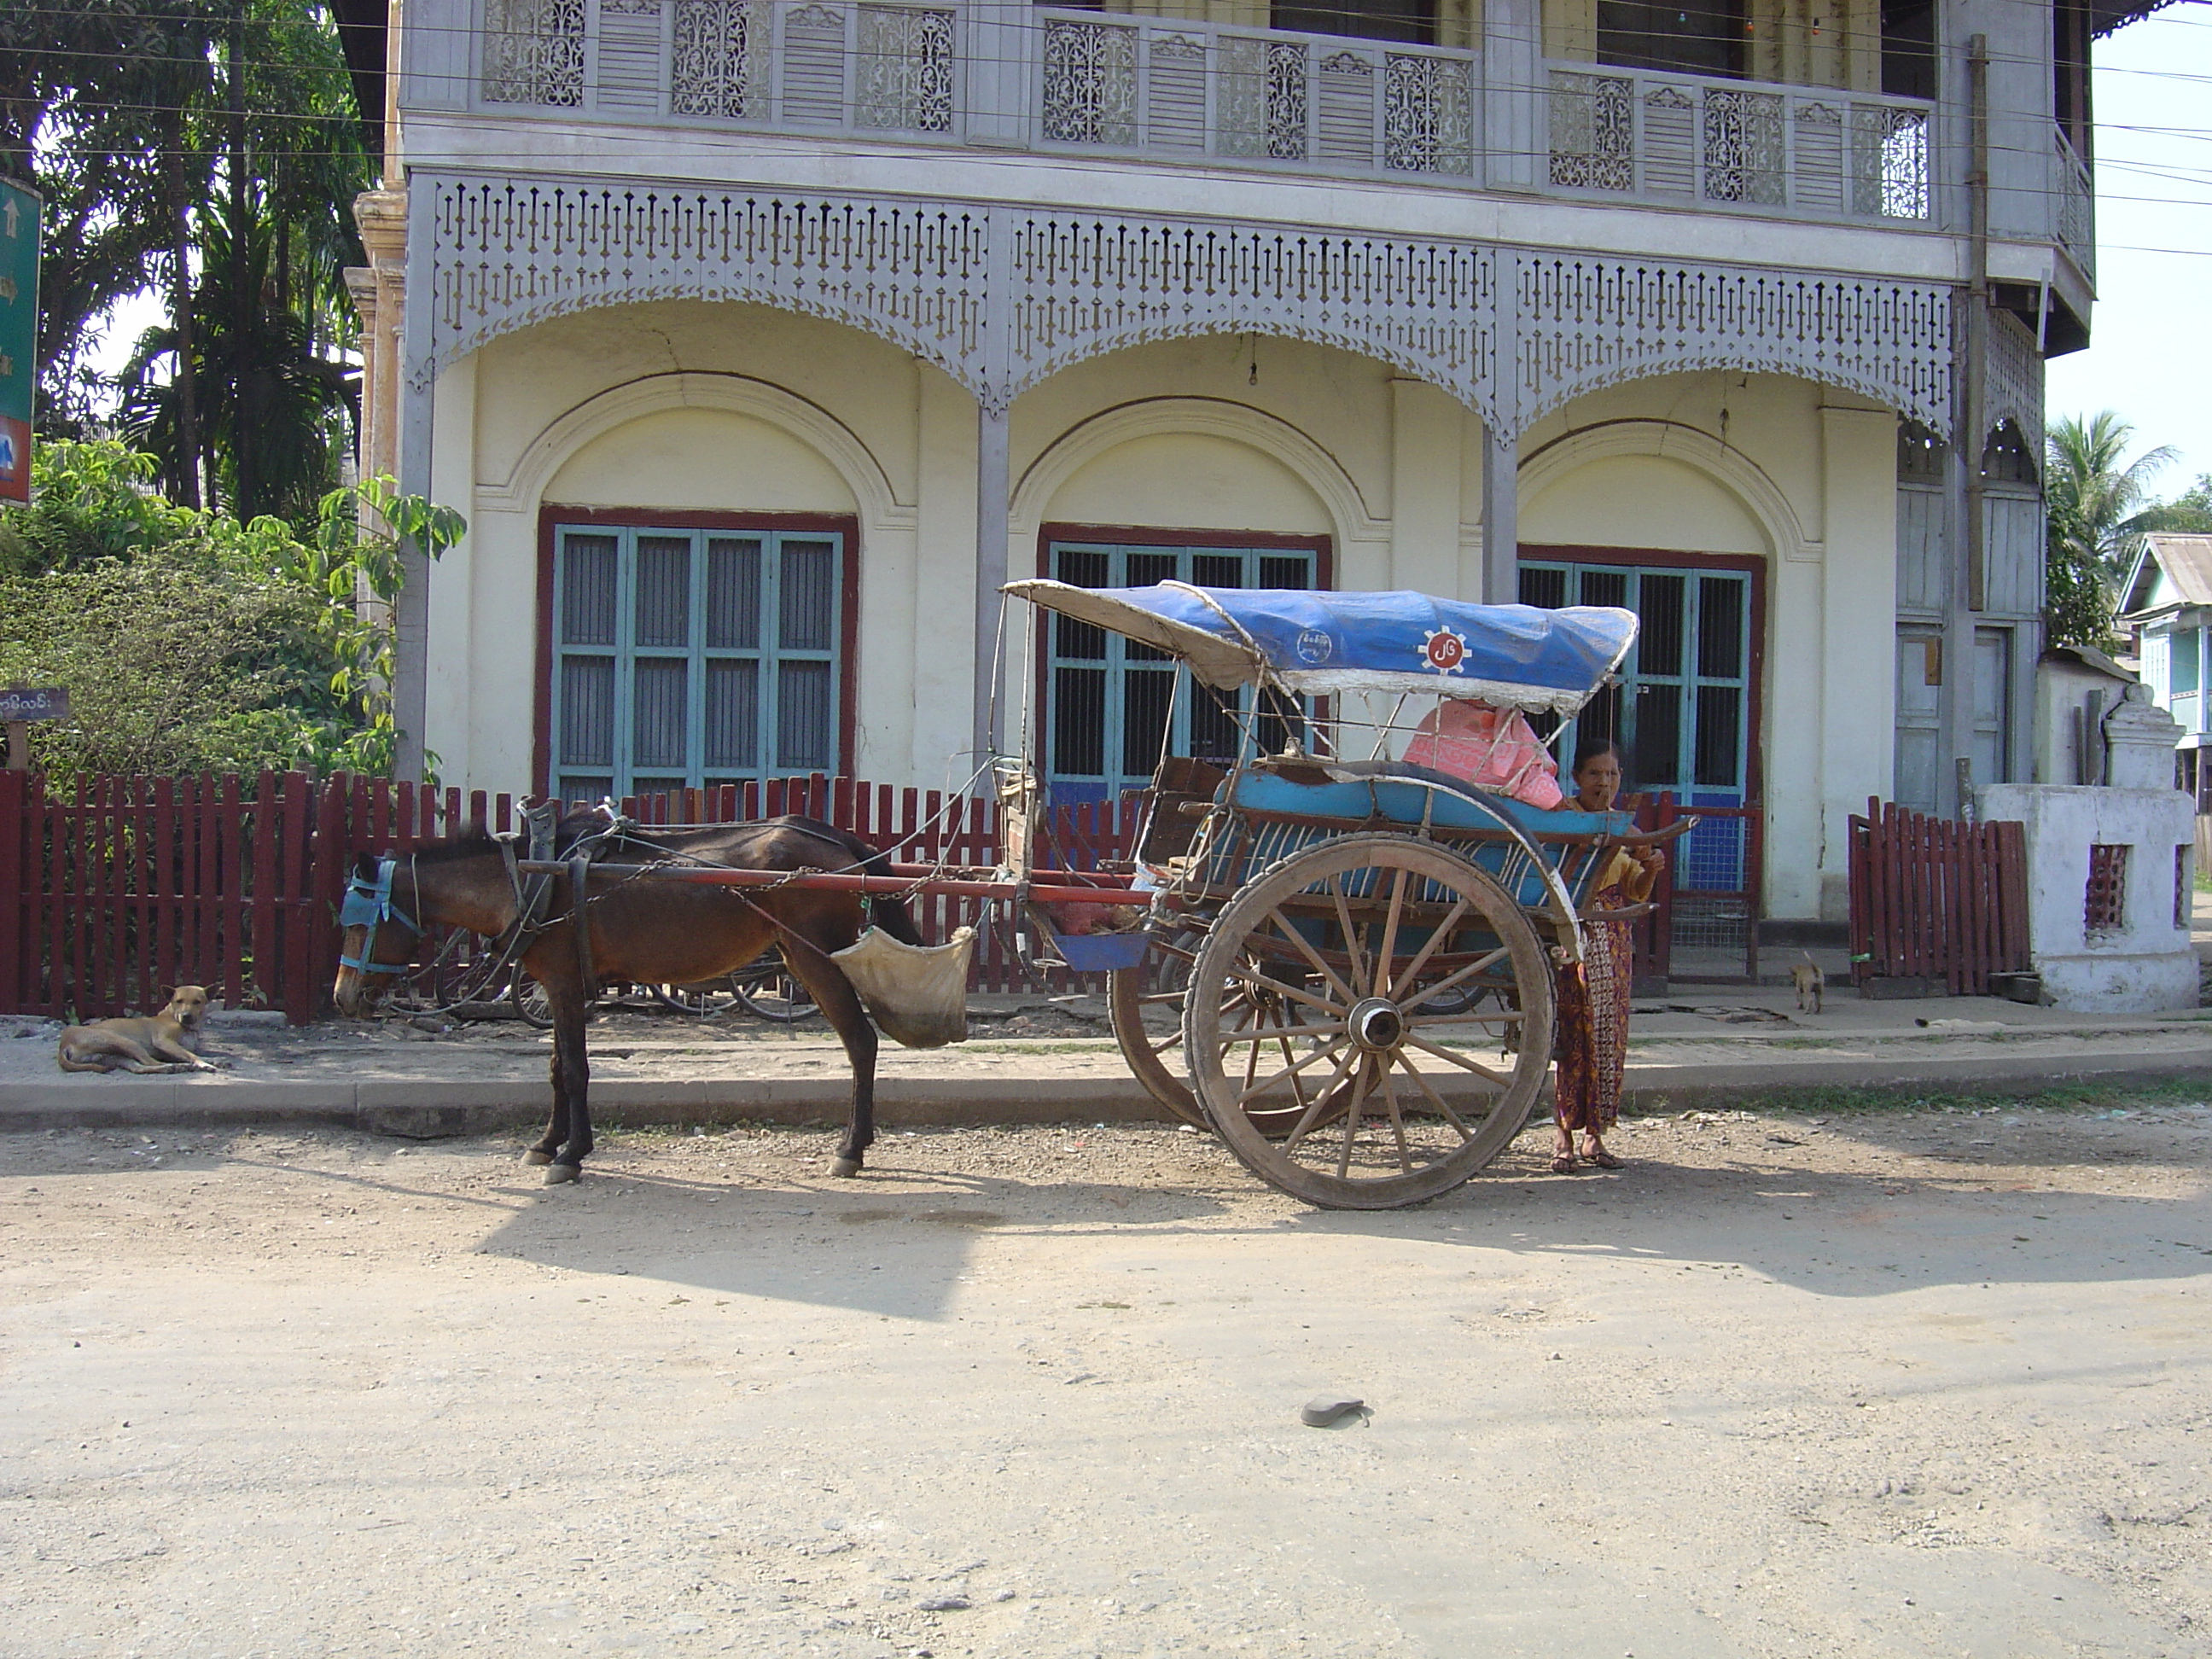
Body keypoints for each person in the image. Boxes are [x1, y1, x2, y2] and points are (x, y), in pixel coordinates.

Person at [1551, 741, 1665, 1173]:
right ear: (1578, 778)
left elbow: (1635, 891)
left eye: (1613, 774)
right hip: (1571, 936)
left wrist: (1650, 868)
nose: (1605, 782)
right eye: (1596, 773)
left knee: (1607, 1037)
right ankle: (1561, 1135)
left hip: (1614, 942)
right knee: (1568, 1036)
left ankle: (1594, 1138)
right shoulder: (1562, 820)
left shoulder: (1628, 830)